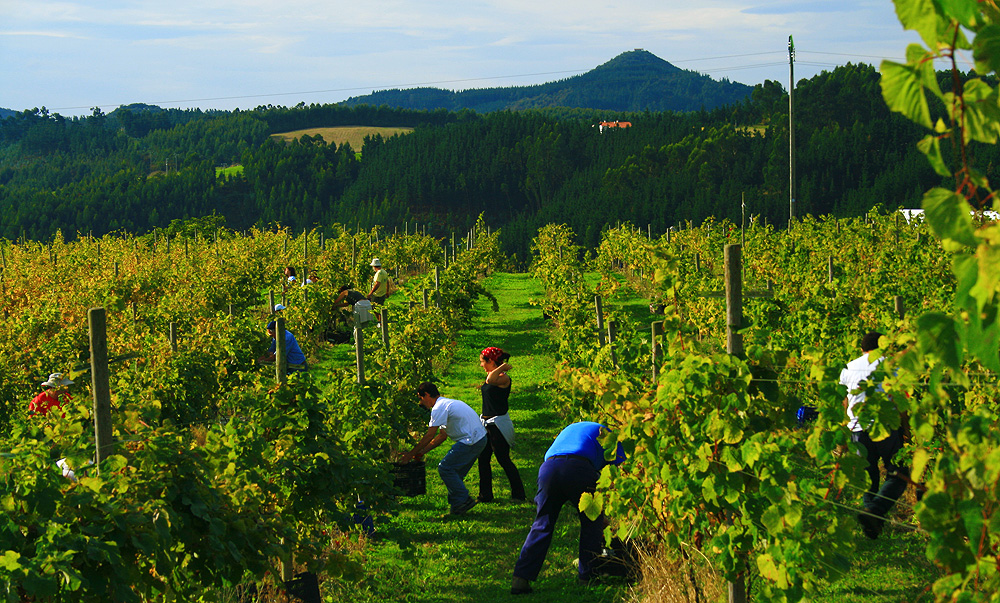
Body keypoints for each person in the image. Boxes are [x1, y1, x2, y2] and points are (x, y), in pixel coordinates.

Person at [511, 421, 626, 594]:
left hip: (548, 468)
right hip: (579, 468)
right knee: (591, 523)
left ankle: (520, 578)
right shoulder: (610, 436)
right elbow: (620, 471)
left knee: (542, 523)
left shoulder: (574, 429)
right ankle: (587, 577)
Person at [840, 331, 908, 540]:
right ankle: (875, 511)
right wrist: (906, 429)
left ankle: (871, 520)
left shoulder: (849, 367)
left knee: (867, 475)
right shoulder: (891, 365)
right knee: (898, 473)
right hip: (885, 425)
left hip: (857, 428)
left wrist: (845, 429)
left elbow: (845, 401)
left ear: (862, 349)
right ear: (882, 347)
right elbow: (899, 400)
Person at [398, 382, 487, 515]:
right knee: (455, 474)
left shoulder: (438, 408)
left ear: (427, 395)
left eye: (421, 399)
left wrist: (410, 454)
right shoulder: (446, 404)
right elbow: (442, 436)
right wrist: (421, 452)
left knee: (445, 468)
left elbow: (430, 435)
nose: (421, 403)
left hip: (471, 441)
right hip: (480, 439)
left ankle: (464, 499)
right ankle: (458, 507)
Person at [476, 347, 527, 503]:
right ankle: (485, 495)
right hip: (486, 424)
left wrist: (502, 367)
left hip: (498, 425)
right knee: (483, 459)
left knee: (503, 459)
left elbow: (491, 381)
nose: (481, 365)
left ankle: (518, 494)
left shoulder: (503, 377)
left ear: (491, 361)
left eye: (482, 362)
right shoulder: (492, 375)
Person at [366, 258, 392, 323]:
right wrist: (387, 291)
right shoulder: (384, 272)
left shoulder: (378, 273)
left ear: (374, 266)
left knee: (375, 309)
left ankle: (380, 322)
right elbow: (387, 282)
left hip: (377, 294)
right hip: (382, 293)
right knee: (380, 309)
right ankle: (381, 322)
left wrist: (371, 293)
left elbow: (377, 284)